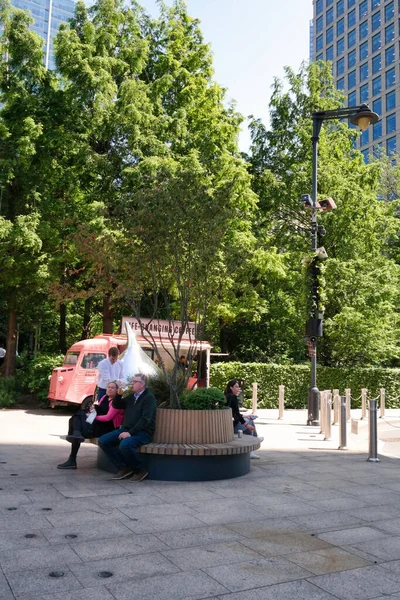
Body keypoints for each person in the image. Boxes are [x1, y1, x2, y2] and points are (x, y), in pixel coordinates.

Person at [98, 373, 157, 482]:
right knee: (103, 441)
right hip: (127, 429)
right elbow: (117, 405)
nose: (132, 383)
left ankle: (140, 471)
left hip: (143, 432)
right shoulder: (131, 397)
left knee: (125, 445)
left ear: (142, 385)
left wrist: (130, 433)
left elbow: (145, 419)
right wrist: (119, 395)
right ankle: (124, 467)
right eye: (133, 381)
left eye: (135, 382)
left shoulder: (149, 398)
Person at [57, 381, 125, 470]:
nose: (110, 389)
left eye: (112, 388)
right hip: (99, 423)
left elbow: (108, 418)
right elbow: (99, 409)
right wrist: (93, 409)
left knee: (78, 421)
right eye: (108, 387)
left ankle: (72, 458)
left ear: (117, 390)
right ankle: (75, 436)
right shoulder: (105, 397)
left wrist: (94, 417)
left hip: (108, 427)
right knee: (78, 416)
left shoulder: (116, 402)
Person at [224, 379, 263, 459]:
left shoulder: (227, 396)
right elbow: (236, 414)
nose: (238, 388)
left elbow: (233, 413)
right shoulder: (233, 397)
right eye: (236, 387)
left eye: (239, 387)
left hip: (227, 423)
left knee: (249, 419)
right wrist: (246, 424)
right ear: (231, 387)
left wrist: (245, 416)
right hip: (231, 426)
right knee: (250, 422)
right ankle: (254, 442)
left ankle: (252, 447)